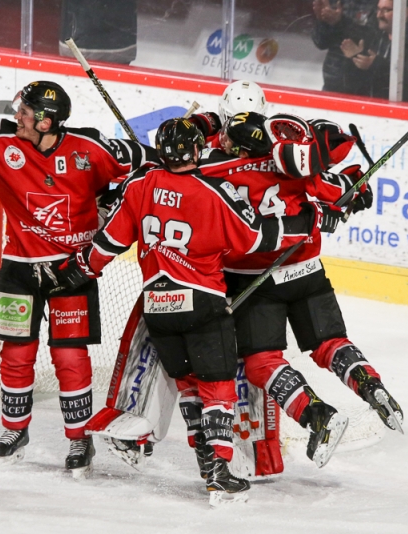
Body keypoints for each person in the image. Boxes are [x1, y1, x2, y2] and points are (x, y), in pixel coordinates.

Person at [57, 118, 325, 504]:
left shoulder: (139, 186)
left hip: (157, 307)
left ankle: (205, 459)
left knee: (187, 386)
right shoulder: (213, 192)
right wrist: (308, 222)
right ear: (197, 150)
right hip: (201, 303)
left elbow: (106, 244)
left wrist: (73, 271)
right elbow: (255, 239)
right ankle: (218, 471)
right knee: (217, 387)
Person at [0, 63, 158, 475]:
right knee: (16, 353)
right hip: (19, 267)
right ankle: (14, 429)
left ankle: (78, 439)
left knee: (70, 356)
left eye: (26, 112)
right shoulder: (2, 146)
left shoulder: (91, 149)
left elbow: (148, 169)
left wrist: (112, 202)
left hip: (73, 270)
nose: (18, 116)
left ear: (47, 121)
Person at [211, 113, 404, 449]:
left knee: (262, 362)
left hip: (256, 281)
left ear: (243, 148)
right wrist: (356, 186)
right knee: (329, 343)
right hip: (307, 272)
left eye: (230, 140)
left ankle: (317, 415)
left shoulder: (218, 172)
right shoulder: (293, 168)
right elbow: (341, 189)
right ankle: (370, 384)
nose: (223, 144)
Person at [341, 0, 408, 103]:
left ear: (405, 12)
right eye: (378, 9)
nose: (379, 15)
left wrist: (377, 65)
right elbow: (354, 87)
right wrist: (355, 59)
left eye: (386, 10)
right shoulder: (374, 37)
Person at [310, 0, 380, 95]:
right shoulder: (335, 2)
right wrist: (323, 21)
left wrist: (340, 22)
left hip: (364, 86)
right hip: (332, 83)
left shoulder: (379, 4)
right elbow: (320, 43)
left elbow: (374, 39)